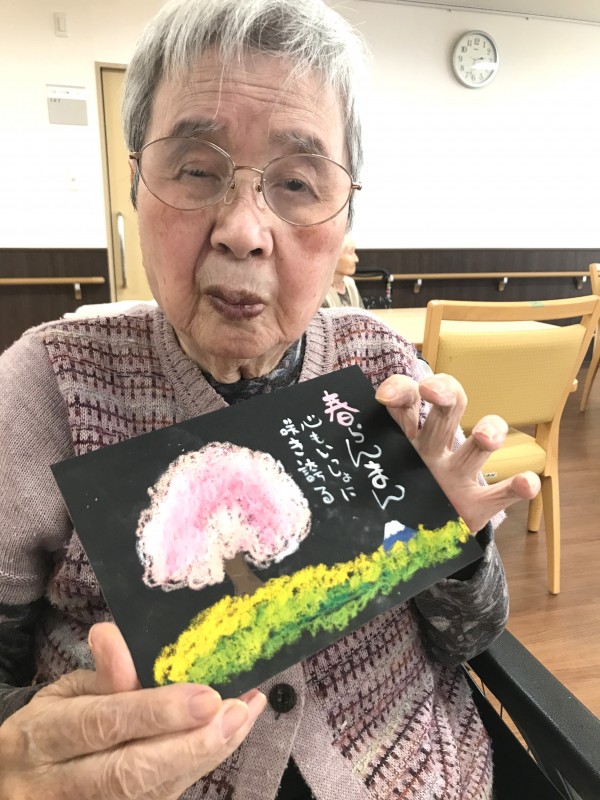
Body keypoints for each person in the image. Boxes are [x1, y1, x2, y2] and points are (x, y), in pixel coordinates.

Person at [0, 1, 539, 798]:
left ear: (344, 218)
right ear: (137, 182)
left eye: (296, 182)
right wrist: (27, 744)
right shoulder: (46, 385)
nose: (244, 230)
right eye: (196, 169)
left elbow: (473, 638)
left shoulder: (385, 374)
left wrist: (455, 555)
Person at [322, 235, 364, 308]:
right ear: (334, 256)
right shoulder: (320, 292)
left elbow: (361, 314)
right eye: (351, 253)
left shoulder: (350, 284)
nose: (356, 259)